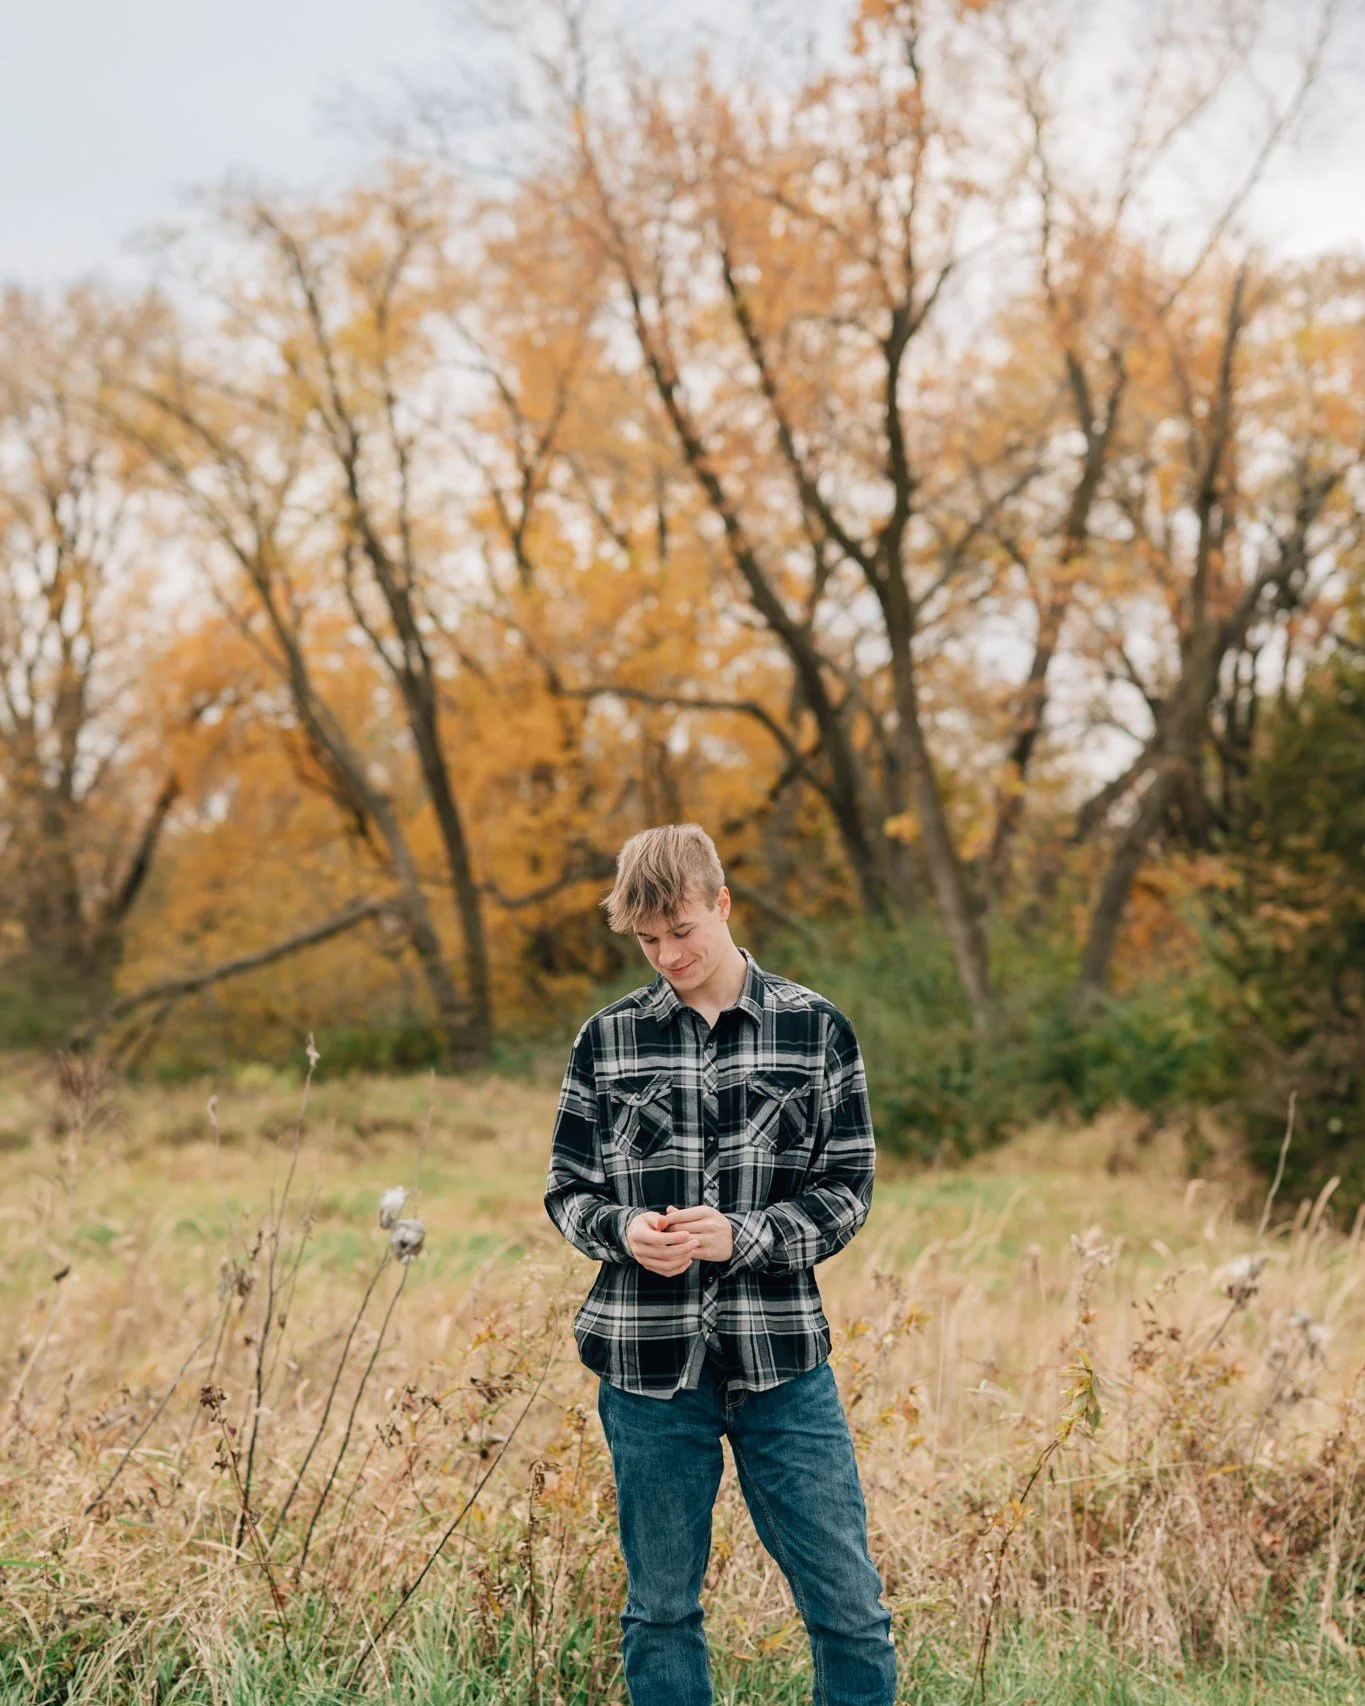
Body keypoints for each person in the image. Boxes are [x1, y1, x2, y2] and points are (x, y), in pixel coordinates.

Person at [544, 822, 896, 1706]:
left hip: (782, 1363)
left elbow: (847, 1191)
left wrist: (745, 1237)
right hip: (645, 1367)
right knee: (660, 1611)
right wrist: (623, 1230)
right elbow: (567, 1190)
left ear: (722, 903)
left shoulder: (815, 1029)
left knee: (849, 1609)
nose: (668, 955)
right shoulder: (606, 1039)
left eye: (682, 931)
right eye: (648, 940)